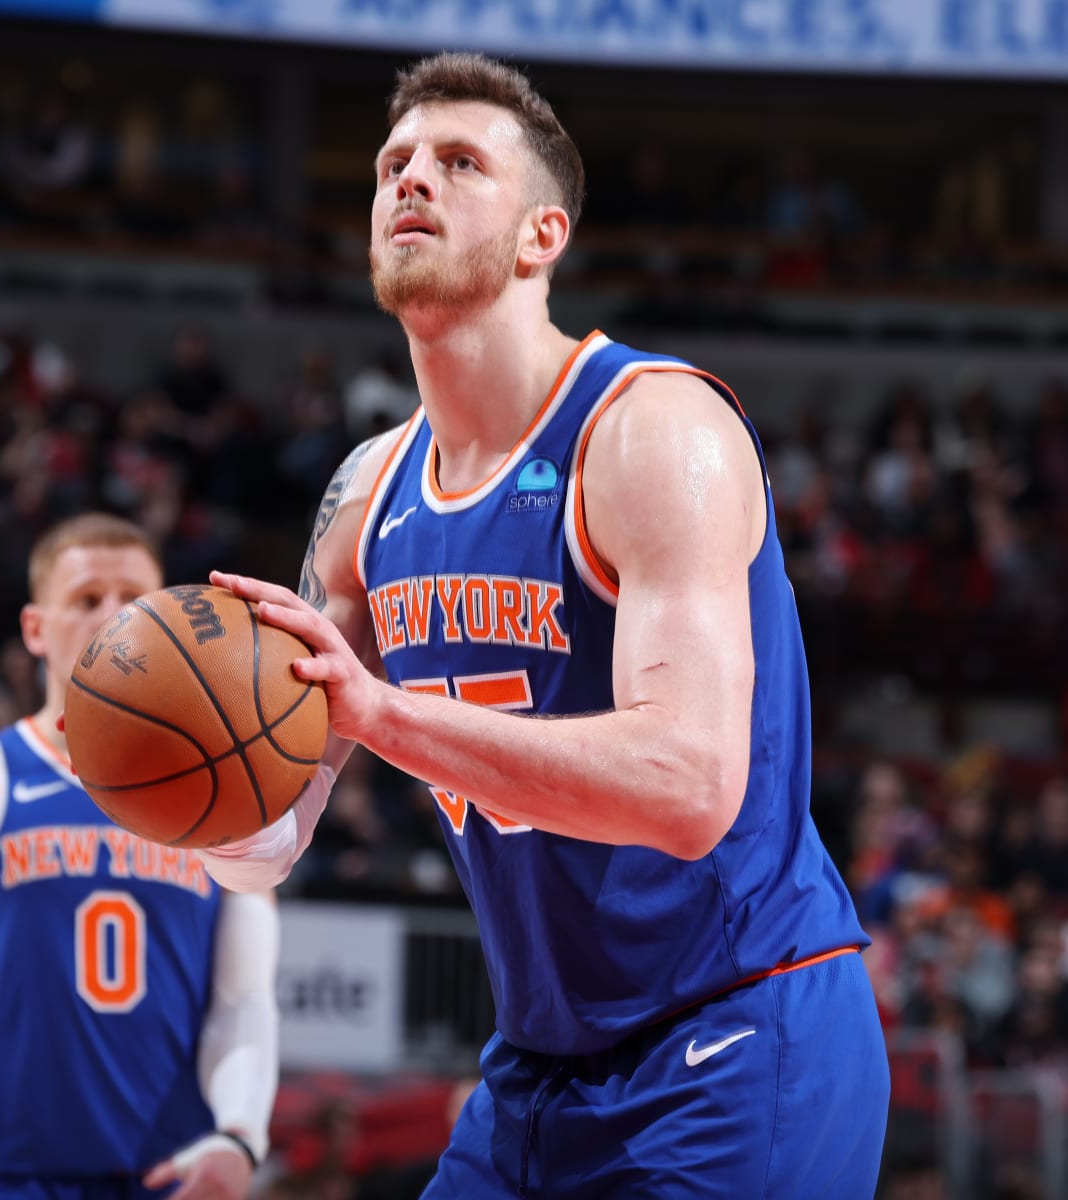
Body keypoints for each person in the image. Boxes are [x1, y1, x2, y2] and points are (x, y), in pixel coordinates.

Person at [200, 52, 888, 1197]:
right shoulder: (367, 497)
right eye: (394, 164)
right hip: (539, 1063)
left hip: (736, 1029)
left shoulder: (651, 430)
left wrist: (377, 712)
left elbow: (685, 784)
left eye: (460, 163)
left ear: (541, 237)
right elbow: (265, 852)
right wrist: (176, 783)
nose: (412, 180)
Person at [0, 513, 276, 1200]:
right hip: (7, 1175)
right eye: (85, 599)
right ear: (34, 630)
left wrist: (241, 1134)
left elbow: (246, 999)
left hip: (171, 1174)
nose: (112, 614)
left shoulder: (223, 794)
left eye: (133, 598)